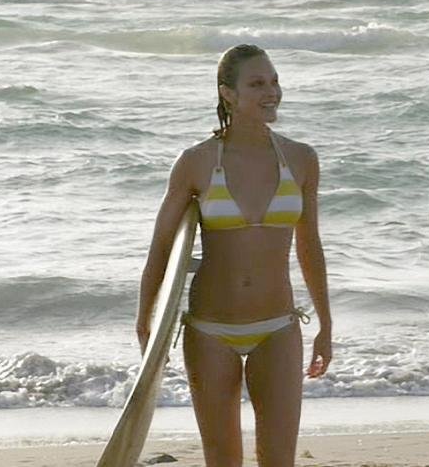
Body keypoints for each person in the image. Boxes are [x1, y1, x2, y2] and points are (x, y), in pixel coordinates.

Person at [136, 44, 332, 467]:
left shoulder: (301, 159)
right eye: (257, 84)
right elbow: (161, 249)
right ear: (228, 93)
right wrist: (145, 321)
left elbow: (310, 247)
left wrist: (325, 325)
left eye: (274, 81)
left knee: (279, 460)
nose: (272, 92)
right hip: (211, 330)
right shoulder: (197, 162)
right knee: (223, 460)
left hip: (278, 326)